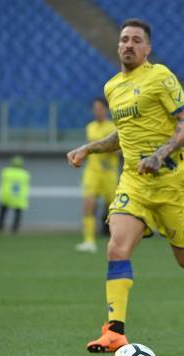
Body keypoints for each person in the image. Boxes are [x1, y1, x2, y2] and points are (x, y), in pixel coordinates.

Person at [67, 18, 184, 353]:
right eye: (124, 39)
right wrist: (88, 148)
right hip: (134, 182)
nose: (128, 44)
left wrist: (160, 153)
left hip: (171, 183)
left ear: (147, 48)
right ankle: (115, 331)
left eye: (136, 40)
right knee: (116, 248)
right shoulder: (112, 88)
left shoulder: (160, 76)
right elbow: (122, 136)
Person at [75, 98, 118, 253]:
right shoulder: (90, 127)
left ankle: (117, 241)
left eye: (99, 108)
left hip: (109, 173)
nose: (97, 111)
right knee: (88, 205)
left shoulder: (113, 127)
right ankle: (88, 241)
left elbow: (120, 150)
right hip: (92, 172)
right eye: (95, 108)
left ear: (106, 109)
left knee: (113, 210)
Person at [0, 155, 30, 233]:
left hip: (6, 196)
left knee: (3, 213)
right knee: (17, 214)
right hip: (18, 197)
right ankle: (15, 229)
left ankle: (0, 227)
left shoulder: (6, 171)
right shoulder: (25, 174)